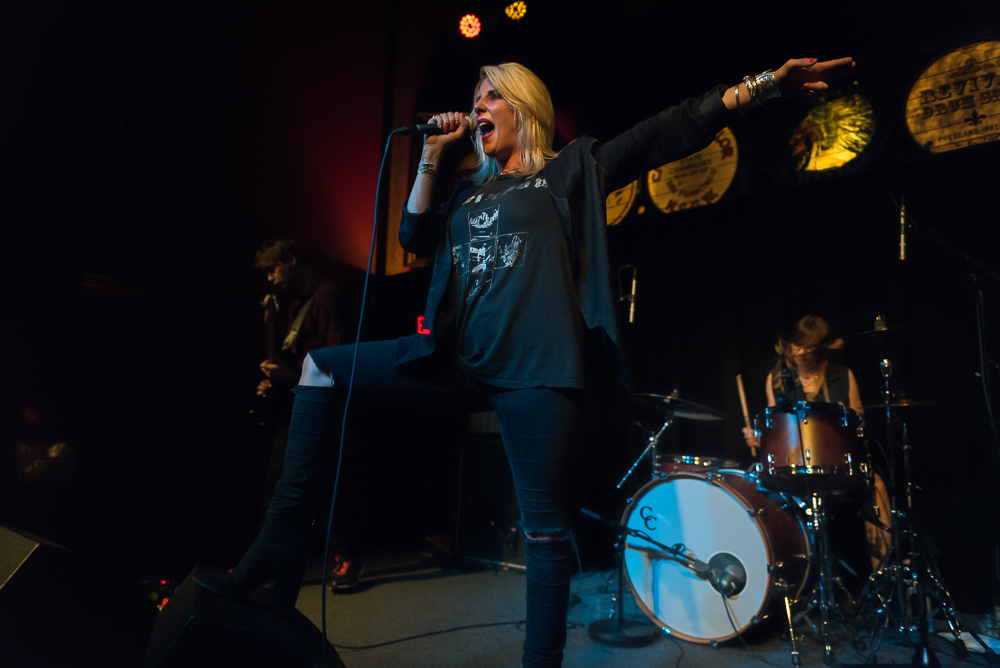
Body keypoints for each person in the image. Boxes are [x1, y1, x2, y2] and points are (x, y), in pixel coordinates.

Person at [197, 58, 855, 667]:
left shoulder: (569, 172)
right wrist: (430, 154)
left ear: (522, 108)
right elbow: (411, 237)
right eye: (473, 99)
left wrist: (763, 85)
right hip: (452, 359)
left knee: (544, 536)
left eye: (490, 97)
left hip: (535, 372)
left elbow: (664, 133)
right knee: (321, 368)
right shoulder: (465, 196)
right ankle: (278, 544)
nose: (477, 107)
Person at [251, 239, 363, 591]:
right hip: (298, 402)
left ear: (292, 260)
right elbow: (302, 357)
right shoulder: (295, 303)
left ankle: (346, 556)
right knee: (276, 483)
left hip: (323, 404)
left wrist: (288, 375)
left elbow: (335, 357)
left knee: (322, 486)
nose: (271, 278)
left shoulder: (327, 296)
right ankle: (268, 561)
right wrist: (276, 376)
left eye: (274, 269)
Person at [742, 315, 892, 568]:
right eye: (797, 345)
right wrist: (759, 437)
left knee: (876, 485)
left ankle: (883, 581)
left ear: (820, 347)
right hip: (794, 467)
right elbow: (773, 427)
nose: (801, 352)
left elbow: (859, 421)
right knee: (757, 489)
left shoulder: (843, 375)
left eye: (808, 346)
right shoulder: (778, 379)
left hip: (837, 465)